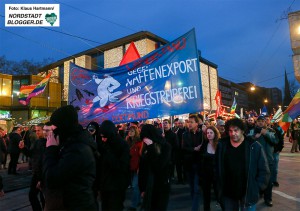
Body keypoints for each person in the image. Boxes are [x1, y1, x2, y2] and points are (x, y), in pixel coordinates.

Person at [43, 105, 98, 210]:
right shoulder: (72, 143)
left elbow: (52, 179)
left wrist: (50, 150)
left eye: (55, 127)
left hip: (77, 205)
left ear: (64, 126)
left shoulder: (77, 149)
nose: (52, 131)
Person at [216, 118, 270, 210]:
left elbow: (264, 170)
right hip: (228, 193)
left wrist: (256, 188)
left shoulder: (254, 146)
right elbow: (217, 167)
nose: (233, 134)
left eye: (236, 130)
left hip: (248, 193)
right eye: (230, 131)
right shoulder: (222, 145)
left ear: (242, 130)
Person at [97, 120, 130, 211]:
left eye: (104, 137)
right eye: (101, 137)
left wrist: (108, 153)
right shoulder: (104, 145)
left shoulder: (122, 145)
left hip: (117, 188)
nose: (103, 139)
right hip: (105, 187)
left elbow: (122, 166)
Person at [138, 124, 172, 211]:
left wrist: (151, 147)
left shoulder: (165, 146)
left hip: (161, 185)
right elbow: (142, 170)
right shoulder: (144, 148)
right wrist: (142, 188)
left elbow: (159, 166)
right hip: (148, 187)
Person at [249, 115, 278, 207]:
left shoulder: (270, 131)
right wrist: (254, 136)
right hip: (256, 160)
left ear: (265, 122)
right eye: (259, 121)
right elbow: (247, 140)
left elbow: (275, 140)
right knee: (256, 180)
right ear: (256, 122)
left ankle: (268, 199)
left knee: (268, 181)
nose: (260, 122)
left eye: (262, 121)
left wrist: (265, 133)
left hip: (268, 160)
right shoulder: (252, 131)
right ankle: (257, 195)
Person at [19, 123, 46, 211]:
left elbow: (43, 161)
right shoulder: (37, 142)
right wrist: (23, 148)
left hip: (43, 174)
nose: (37, 132)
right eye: (36, 130)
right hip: (36, 172)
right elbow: (31, 154)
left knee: (43, 197)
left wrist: (41, 179)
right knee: (32, 195)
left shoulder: (47, 142)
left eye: (39, 130)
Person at [182, 114, 204, 211]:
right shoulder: (185, 135)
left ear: (197, 123)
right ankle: (194, 202)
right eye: (188, 122)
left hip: (199, 164)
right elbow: (183, 148)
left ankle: (195, 208)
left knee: (196, 188)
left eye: (191, 122)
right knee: (191, 186)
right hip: (189, 164)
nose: (189, 124)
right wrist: (194, 149)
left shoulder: (202, 134)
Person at [200, 125, 220, 211]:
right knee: (206, 194)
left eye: (211, 133)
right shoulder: (204, 144)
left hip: (217, 173)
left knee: (219, 193)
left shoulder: (219, 145)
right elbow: (201, 158)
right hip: (206, 173)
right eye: (207, 133)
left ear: (215, 134)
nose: (209, 134)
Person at [126, 125, 143, 211]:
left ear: (135, 132)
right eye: (129, 131)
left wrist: (139, 167)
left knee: (135, 186)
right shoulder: (128, 142)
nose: (130, 132)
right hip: (130, 167)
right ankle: (138, 201)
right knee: (135, 186)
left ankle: (134, 205)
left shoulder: (139, 143)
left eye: (132, 131)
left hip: (137, 167)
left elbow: (141, 156)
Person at [271, 122, 284, 187]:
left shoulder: (277, 131)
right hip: (267, 152)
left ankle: (274, 180)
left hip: (275, 152)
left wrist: (279, 149)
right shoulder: (264, 131)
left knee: (275, 168)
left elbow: (281, 140)